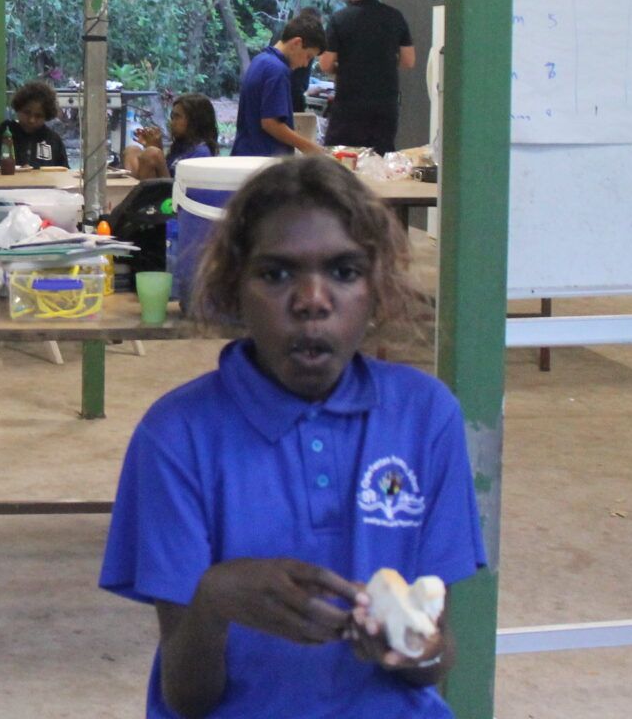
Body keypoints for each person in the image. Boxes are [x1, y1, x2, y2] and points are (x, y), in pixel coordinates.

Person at [99, 156, 485, 719]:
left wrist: (409, 645)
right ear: (233, 289)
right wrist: (213, 599)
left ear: (378, 288)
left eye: (345, 272)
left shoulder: (426, 418)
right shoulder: (177, 436)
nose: (312, 300)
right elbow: (187, 698)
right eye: (276, 274)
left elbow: (436, 655)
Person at [318, 0, 416, 156]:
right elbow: (409, 61)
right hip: (385, 104)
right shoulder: (394, 16)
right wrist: (381, 62)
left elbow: (325, 64)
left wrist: (347, 66)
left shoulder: (339, 19)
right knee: (380, 158)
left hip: (349, 104)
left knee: (343, 157)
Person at [231, 13, 327, 157]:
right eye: (308, 56)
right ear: (296, 43)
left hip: (246, 152)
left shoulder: (260, 60)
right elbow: (271, 123)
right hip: (263, 158)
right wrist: (309, 147)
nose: (305, 64)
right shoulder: (277, 70)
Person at [0, 81, 69, 171]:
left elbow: (64, 173)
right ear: (18, 109)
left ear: (47, 116)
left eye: (38, 116)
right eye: (27, 113)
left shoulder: (53, 141)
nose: (31, 120)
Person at [124, 93, 219, 180]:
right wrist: (155, 146)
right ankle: (129, 194)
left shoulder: (201, 152)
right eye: (172, 117)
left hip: (176, 197)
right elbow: (165, 171)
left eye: (177, 117)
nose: (172, 123)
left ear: (195, 120)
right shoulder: (181, 146)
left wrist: (155, 152)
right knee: (132, 150)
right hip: (162, 190)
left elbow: (184, 188)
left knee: (152, 153)